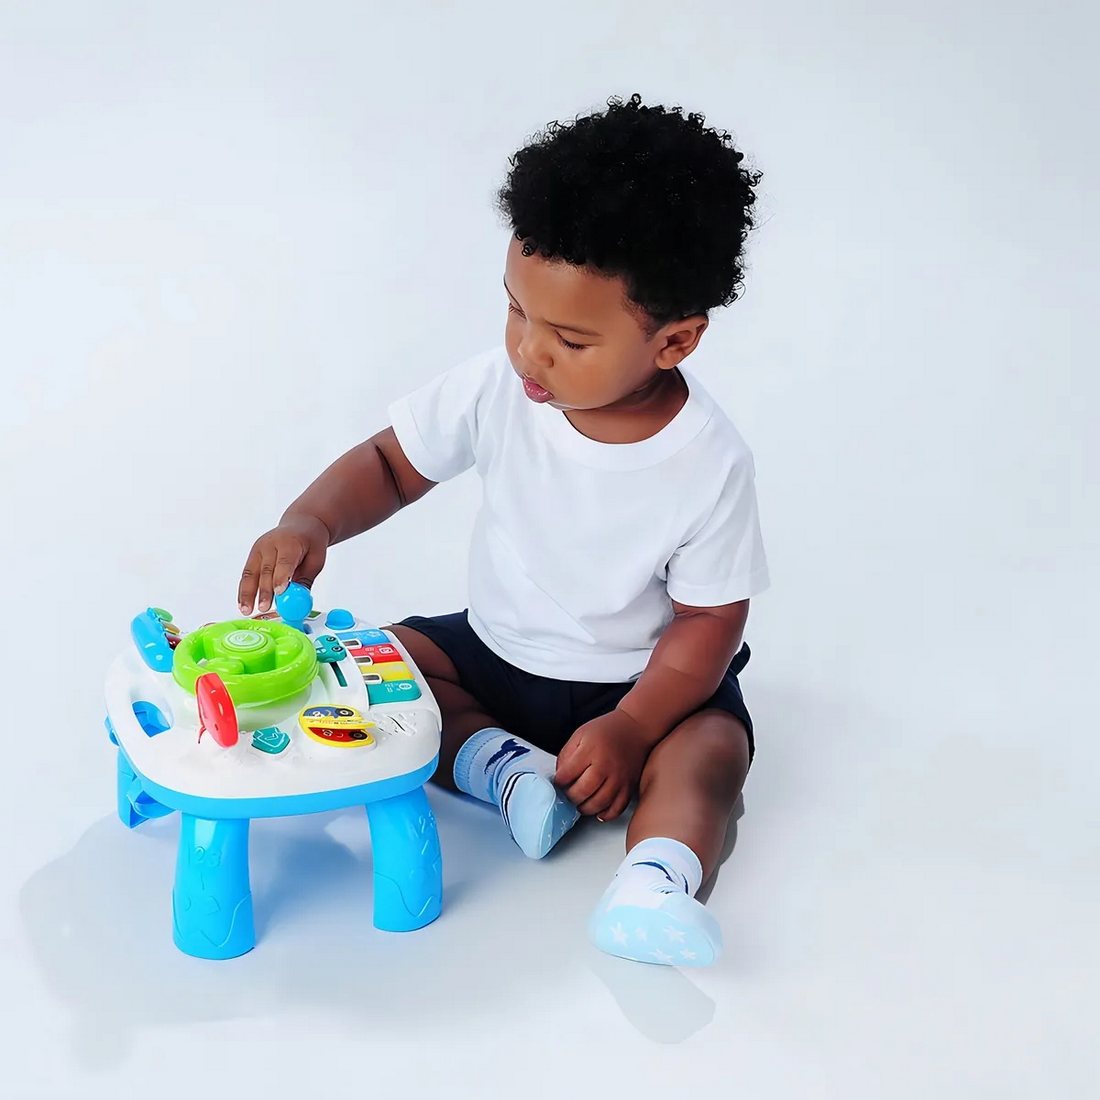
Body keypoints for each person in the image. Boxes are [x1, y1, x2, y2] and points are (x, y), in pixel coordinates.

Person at [237, 93, 768, 967]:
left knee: (711, 751)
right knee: (377, 665)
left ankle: (654, 882)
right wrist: (311, 520)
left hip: (644, 686)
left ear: (674, 343)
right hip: (495, 653)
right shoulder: (498, 387)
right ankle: (508, 771)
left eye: (570, 340)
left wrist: (635, 727)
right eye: (517, 312)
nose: (530, 351)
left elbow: (710, 620)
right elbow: (392, 463)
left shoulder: (708, 461)